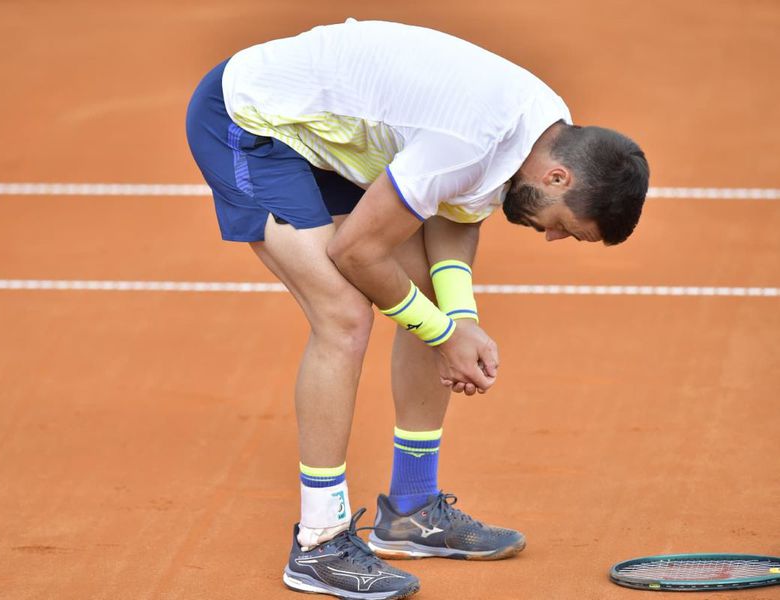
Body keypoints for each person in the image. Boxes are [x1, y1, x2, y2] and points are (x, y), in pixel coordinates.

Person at [186, 18, 649, 600]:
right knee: (345, 316)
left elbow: (456, 214)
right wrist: (442, 334)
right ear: (558, 177)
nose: (554, 240)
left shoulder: (541, 128)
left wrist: (459, 319)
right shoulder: (474, 140)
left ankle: (411, 512)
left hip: (333, 138)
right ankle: (318, 542)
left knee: (425, 300)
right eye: (567, 228)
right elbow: (354, 252)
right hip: (253, 120)